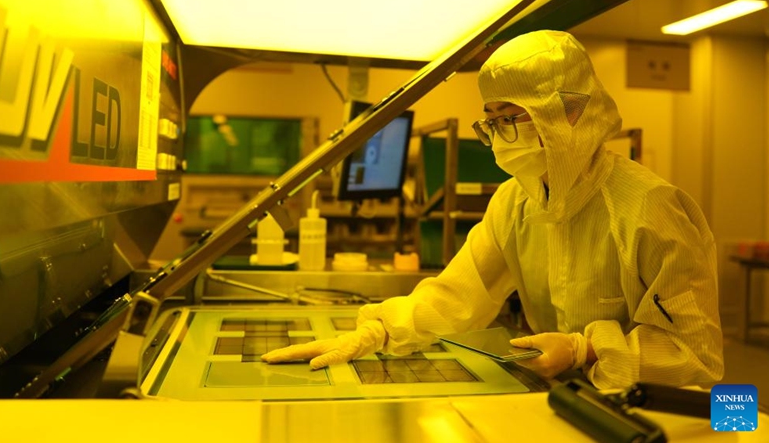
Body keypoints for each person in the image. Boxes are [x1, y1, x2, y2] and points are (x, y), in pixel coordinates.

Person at [262, 30, 724, 389]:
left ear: (568, 112)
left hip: (666, 412)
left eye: (511, 118)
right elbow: (457, 295)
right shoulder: (515, 202)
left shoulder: (649, 206)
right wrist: (375, 334)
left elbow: (697, 355)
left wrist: (587, 350)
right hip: (569, 400)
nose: (501, 136)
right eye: (492, 121)